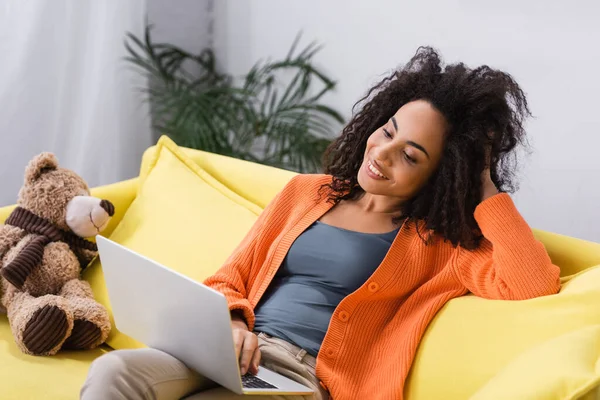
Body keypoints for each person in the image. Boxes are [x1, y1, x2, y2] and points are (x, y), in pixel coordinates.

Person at [80, 47, 561, 400]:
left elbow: (532, 282)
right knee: (113, 374)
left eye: (410, 156)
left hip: (300, 379)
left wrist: (482, 184)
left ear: (442, 175)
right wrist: (229, 323)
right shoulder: (306, 193)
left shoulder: (442, 247)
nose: (382, 154)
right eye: (387, 131)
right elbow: (231, 275)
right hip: (228, 349)